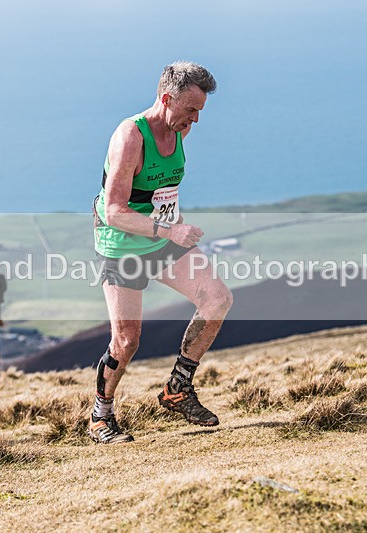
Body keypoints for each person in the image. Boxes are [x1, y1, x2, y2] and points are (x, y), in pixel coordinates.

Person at [89, 61, 234, 444]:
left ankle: (177, 388)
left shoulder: (179, 128)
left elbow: (161, 191)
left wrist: (176, 227)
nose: (196, 120)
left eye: (200, 111)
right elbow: (113, 211)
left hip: (163, 240)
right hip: (122, 247)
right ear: (167, 98)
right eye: (190, 109)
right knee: (127, 341)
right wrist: (172, 228)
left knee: (217, 299)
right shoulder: (130, 137)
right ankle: (100, 415)